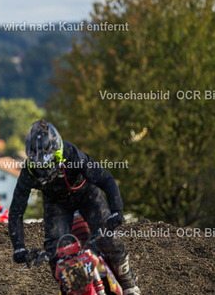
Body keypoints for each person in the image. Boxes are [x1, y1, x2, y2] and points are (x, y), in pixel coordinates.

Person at [8, 120, 140, 294]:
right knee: (56, 255)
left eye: (49, 162)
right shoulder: (28, 172)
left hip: (86, 195)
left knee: (106, 238)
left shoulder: (71, 154)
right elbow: (16, 211)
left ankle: (129, 285)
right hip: (56, 204)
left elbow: (105, 179)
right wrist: (19, 247)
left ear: (58, 153)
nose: (45, 169)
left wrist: (116, 211)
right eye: (39, 165)